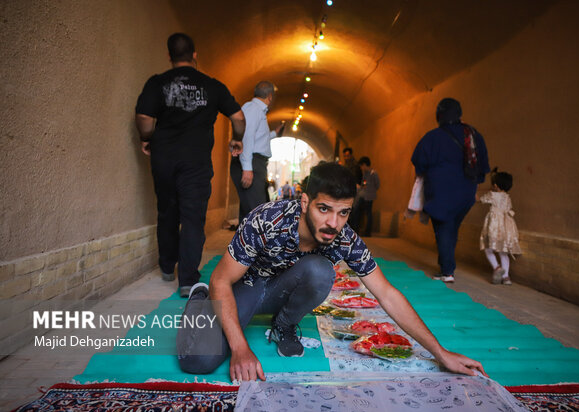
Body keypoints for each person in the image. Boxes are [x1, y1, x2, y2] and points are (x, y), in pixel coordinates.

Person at [176, 162, 487, 381]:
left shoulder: (345, 238)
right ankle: (198, 301)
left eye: (343, 212)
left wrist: (440, 353)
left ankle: (284, 324)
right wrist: (240, 348)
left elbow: (387, 294)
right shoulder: (267, 220)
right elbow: (221, 280)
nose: (333, 224)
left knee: (321, 270)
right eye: (323, 209)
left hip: (280, 290)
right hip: (245, 287)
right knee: (197, 361)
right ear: (305, 201)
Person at [135, 33, 245, 297]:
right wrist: (236, 139)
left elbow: (144, 117)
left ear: (169, 56)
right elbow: (238, 117)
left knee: (167, 211)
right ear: (195, 55)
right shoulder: (212, 85)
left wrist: (147, 138)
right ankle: (186, 280)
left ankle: (165, 266)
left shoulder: (157, 83)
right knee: (193, 218)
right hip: (196, 162)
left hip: (164, 158)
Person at [411, 98, 490, 283]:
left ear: (439, 115)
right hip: (466, 193)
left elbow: (419, 162)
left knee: (444, 229)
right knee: (452, 228)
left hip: (440, 193)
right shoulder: (473, 135)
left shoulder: (432, 137)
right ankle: (446, 266)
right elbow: (482, 164)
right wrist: (475, 185)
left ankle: (447, 271)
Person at [230, 81, 285, 222]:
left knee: (250, 213)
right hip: (252, 163)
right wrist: (247, 168)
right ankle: (253, 243)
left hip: (255, 163)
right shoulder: (253, 108)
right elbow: (247, 137)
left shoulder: (256, 110)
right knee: (257, 214)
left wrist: (274, 133)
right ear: (270, 97)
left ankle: (244, 243)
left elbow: (258, 138)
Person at [479, 168, 522, 285]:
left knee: (488, 249)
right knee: (503, 252)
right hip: (506, 227)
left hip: (494, 226)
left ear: (496, 186)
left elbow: (480, 199)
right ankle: (506, 278)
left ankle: (497, 268)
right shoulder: (507, 197)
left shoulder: (492, 195)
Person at [355, 156, 380, 236]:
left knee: (368, 213)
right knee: (357, 210)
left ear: (365, 164)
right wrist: (361, 186)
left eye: (361, 166)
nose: (361, 168)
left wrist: (370, 189)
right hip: (363, 195)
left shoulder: (373, 173)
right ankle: (356, 230)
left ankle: (368, 232)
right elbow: (364, 183)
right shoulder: (365, 174)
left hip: (369, 196)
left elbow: (377, 185)